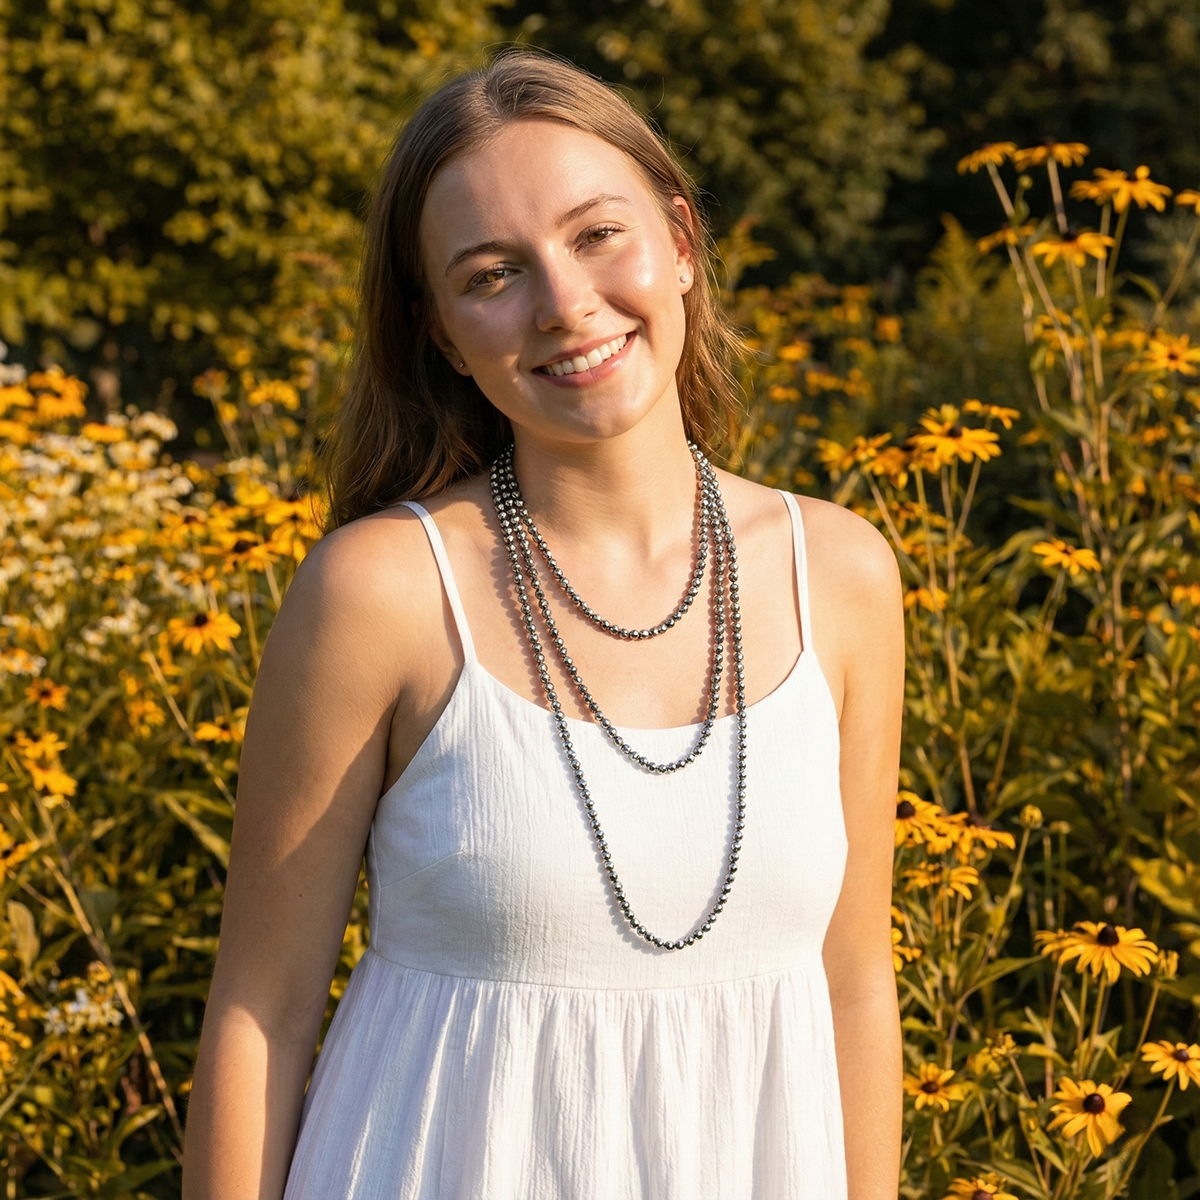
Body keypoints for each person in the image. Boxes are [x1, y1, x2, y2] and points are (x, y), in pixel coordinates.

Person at [182, 49, 904, 1200]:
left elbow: (855, 982)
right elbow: (259, 1014)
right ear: (439, 332)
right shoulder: (382, 593)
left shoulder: (844, 575)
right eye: (491, 274)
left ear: (681, 239)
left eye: (596, 235)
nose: (565, 304)